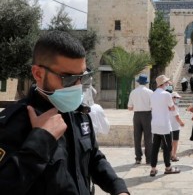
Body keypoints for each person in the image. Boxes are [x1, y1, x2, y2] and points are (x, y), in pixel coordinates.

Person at [0, 31, 129, 194]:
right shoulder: (13, 123)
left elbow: (94, 158)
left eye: (82, 76)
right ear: (38, 74)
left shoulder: (79, 112)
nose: (77, 85)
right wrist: (40, 141)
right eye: (68, 78)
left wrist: (118, 188)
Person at [150, 75, 180, 176]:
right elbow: (172, 108)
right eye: (167, 82)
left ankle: (153, 168)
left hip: (155, 124)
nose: (168, 84)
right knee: (167, 147)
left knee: (155, 147)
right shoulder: (167, 94)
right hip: (165, 125)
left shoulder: (153, 94)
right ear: (163, 84)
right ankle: (168, 167)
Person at [127, 74, 153, 165]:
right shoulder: (150, 92)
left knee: (137, 137)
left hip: (137, 115)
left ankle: (138, 158)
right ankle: (149, 159)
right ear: (146, 83)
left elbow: (129, 107)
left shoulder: (133, 92)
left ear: (138, 82)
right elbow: (152, 106)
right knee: (148, 138)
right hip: (147, 115)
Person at [170, 91, 185, 162]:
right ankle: (174, 155)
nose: (178, 99)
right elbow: (177, 117)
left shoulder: (167, 106)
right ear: (172, 98)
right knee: (175, 141)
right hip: (175, 126)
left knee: (169, 141)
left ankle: (170, 154)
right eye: (176, 98)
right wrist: (181, 123)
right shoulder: (174, 106)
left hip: (168, 126)